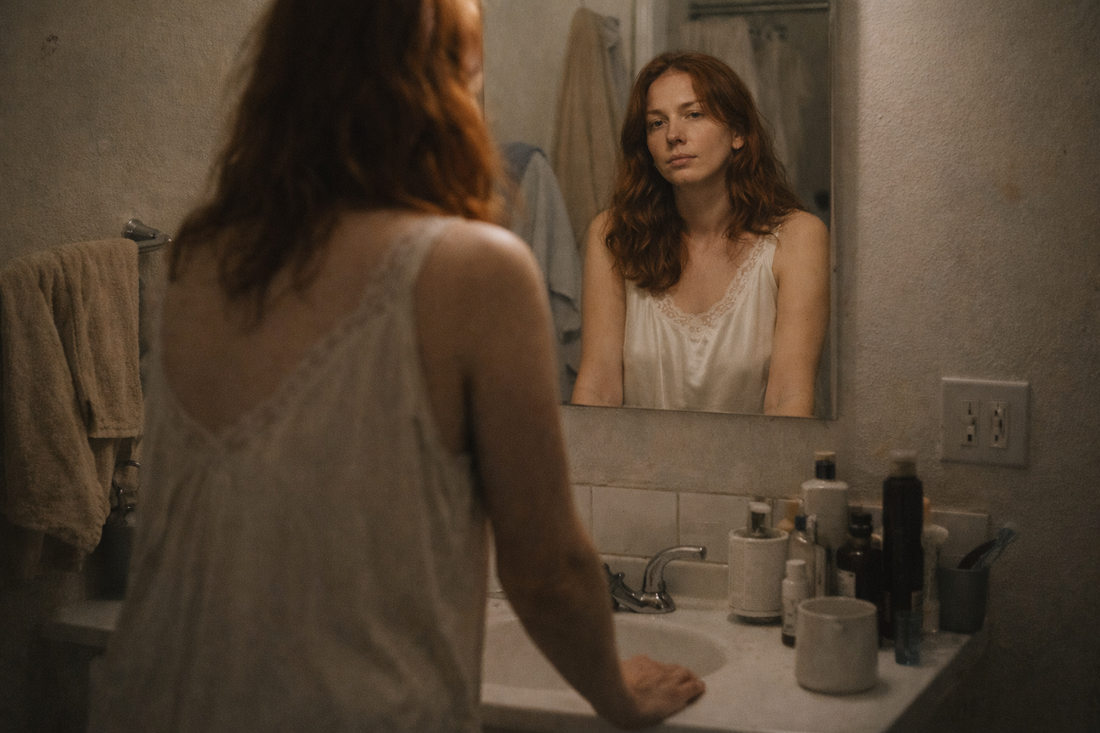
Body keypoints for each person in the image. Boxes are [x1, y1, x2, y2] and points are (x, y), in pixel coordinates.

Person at [87, 1, 704, 731]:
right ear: (442, 80)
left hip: (160, 701)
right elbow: (545, 569)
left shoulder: (199, 261)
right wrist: (616, 694)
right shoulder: (473, 268)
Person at [571, 52, 830, 416]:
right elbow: (598, 389)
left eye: (694, 114)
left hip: (754, 470)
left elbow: (789, 399)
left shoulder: (797, 239)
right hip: (634, 471)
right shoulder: (615, 236)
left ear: (738, 132)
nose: (674, 136)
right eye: (656, 123)